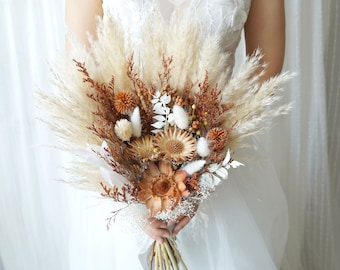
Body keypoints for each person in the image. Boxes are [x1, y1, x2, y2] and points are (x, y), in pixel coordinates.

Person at [65, 0, 288, 269]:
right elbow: (80, 70)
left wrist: (202, 176)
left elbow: (263, 76)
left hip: (220, 167)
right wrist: (131, 189)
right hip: (120, 169)